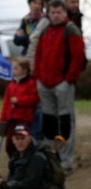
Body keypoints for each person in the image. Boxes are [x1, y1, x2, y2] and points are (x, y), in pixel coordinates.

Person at [34, 0, 85, 172]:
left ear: (64, 13)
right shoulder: (46, 30)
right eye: (52, 12)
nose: (55, 15)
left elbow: (78, 57)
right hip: (45, 83)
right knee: (48, 122)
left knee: (65, 122)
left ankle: (65, 160)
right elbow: (39, 54)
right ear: (48, 13)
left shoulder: (71, 29)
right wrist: (39, 78)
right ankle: (50, 158)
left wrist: (68, 80)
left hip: (62, 84)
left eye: (58, 12)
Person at [0, 57, 40, 157]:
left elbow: (34, 99)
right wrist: (3, 119)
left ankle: (24, 163)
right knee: (10, 145)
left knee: (23, 143)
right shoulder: (11, 85)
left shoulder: (31, 83)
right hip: (11, 119)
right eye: (13, 68)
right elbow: (6, 103)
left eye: (16, 68)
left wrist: (19, 101)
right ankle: (14, 164)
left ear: (24, 70)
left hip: (24, 119)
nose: (13, 71)